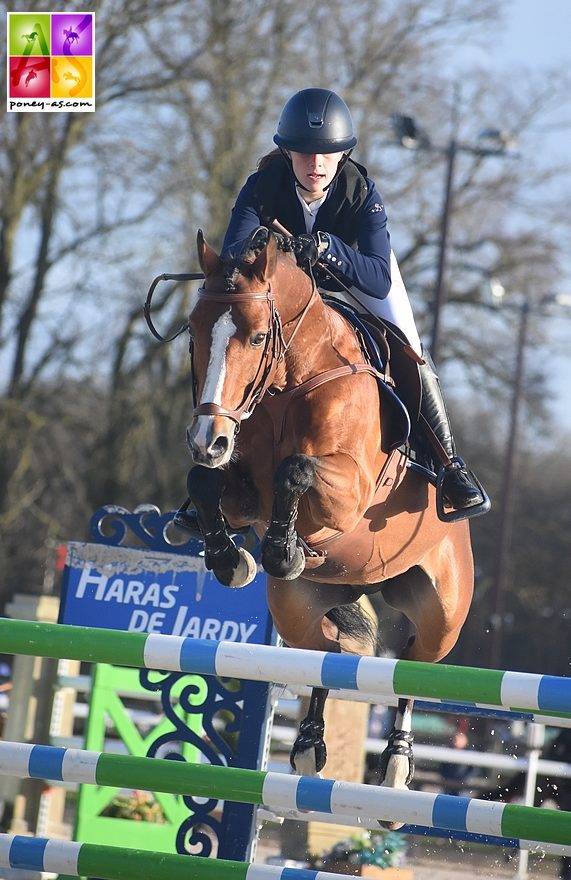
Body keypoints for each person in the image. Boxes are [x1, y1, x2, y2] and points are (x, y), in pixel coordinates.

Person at [220, 87, 485, 514]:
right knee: (228, 339)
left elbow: (378, 278)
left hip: (355, 283)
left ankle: (448, 463)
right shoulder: (261, 188)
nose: (315, 164)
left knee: (409, 347)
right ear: (287, 153)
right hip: (287, 292)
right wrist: (281, 252)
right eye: (305, 153)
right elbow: (235, 255)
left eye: (326, 154)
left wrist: (326, 248)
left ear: (342, 155)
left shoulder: (361, 191)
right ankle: (217, 468)